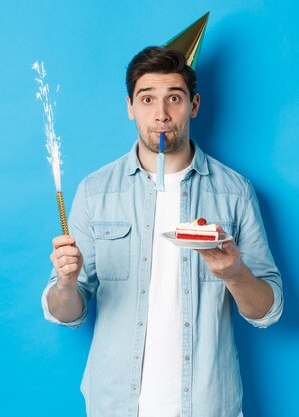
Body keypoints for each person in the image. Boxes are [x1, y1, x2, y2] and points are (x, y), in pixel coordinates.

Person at [42, 46, 283, 417]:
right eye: (147, 99)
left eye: (174, 97)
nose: (161, 114)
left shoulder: (235, 192)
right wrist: (65, 283)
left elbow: (268, 311)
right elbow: (67, 314)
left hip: (207, 405)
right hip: (114, 405)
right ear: (129, 107)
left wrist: (235, 274)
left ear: (195, 104)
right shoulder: (95, 192)